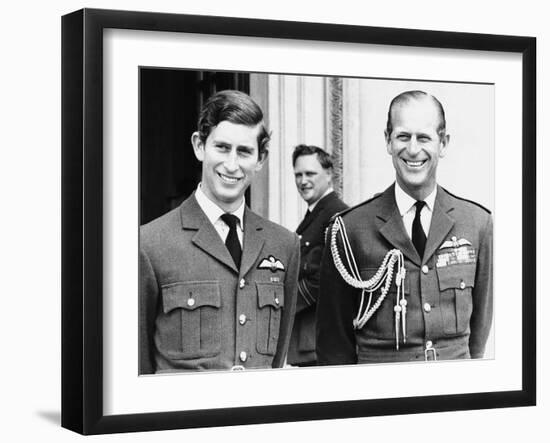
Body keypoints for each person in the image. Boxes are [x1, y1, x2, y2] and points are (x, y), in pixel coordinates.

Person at [316, 90, 493, 364]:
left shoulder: (477, 224)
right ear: (387, 141)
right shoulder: (350, 229)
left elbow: (477, 337)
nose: (412, 149)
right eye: (402, 136)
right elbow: (333, 347)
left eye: (424, 137)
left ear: (443, 143)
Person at [139, 90, 300, 373]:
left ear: (261, 159)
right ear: (199, 146)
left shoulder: (284, 245)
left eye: (245, 151)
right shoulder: (149, 244)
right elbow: (136, 368)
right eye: (222, 147)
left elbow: (277, 360)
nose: (232, 165)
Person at [288, 145, 348, 366]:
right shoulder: (315, 216)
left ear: (329, 174)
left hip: (318, 340)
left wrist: (284, 305)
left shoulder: (335, 215)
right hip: (306, 341)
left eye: (310, 174)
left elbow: (321, 279)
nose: (303, 181)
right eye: (298, 175)